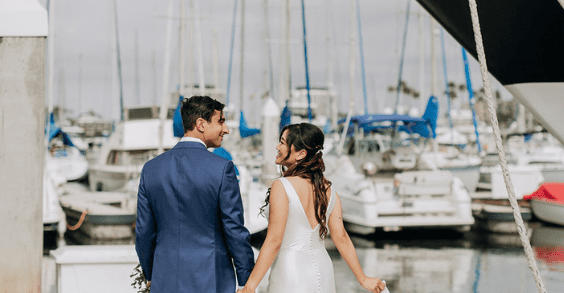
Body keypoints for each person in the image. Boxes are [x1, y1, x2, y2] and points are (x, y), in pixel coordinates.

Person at [240, 123, 386, 293]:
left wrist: (249, 287)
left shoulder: (282, 186)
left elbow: (274, 241)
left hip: (291, 271)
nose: (277, 147)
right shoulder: (328, 190)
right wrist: (363, 278)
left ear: (300, 154)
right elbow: (341, 238)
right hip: (323, 270)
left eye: (283, 143)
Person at [135, 95, 255, 292]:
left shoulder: (151, 169)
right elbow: (234, 229)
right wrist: (246, 279)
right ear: (201, 124)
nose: (225, 129)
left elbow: (144, 232)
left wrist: (150, 274)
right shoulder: (222, 168)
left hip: (165, 279)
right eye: (220, 121)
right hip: (211, 278)